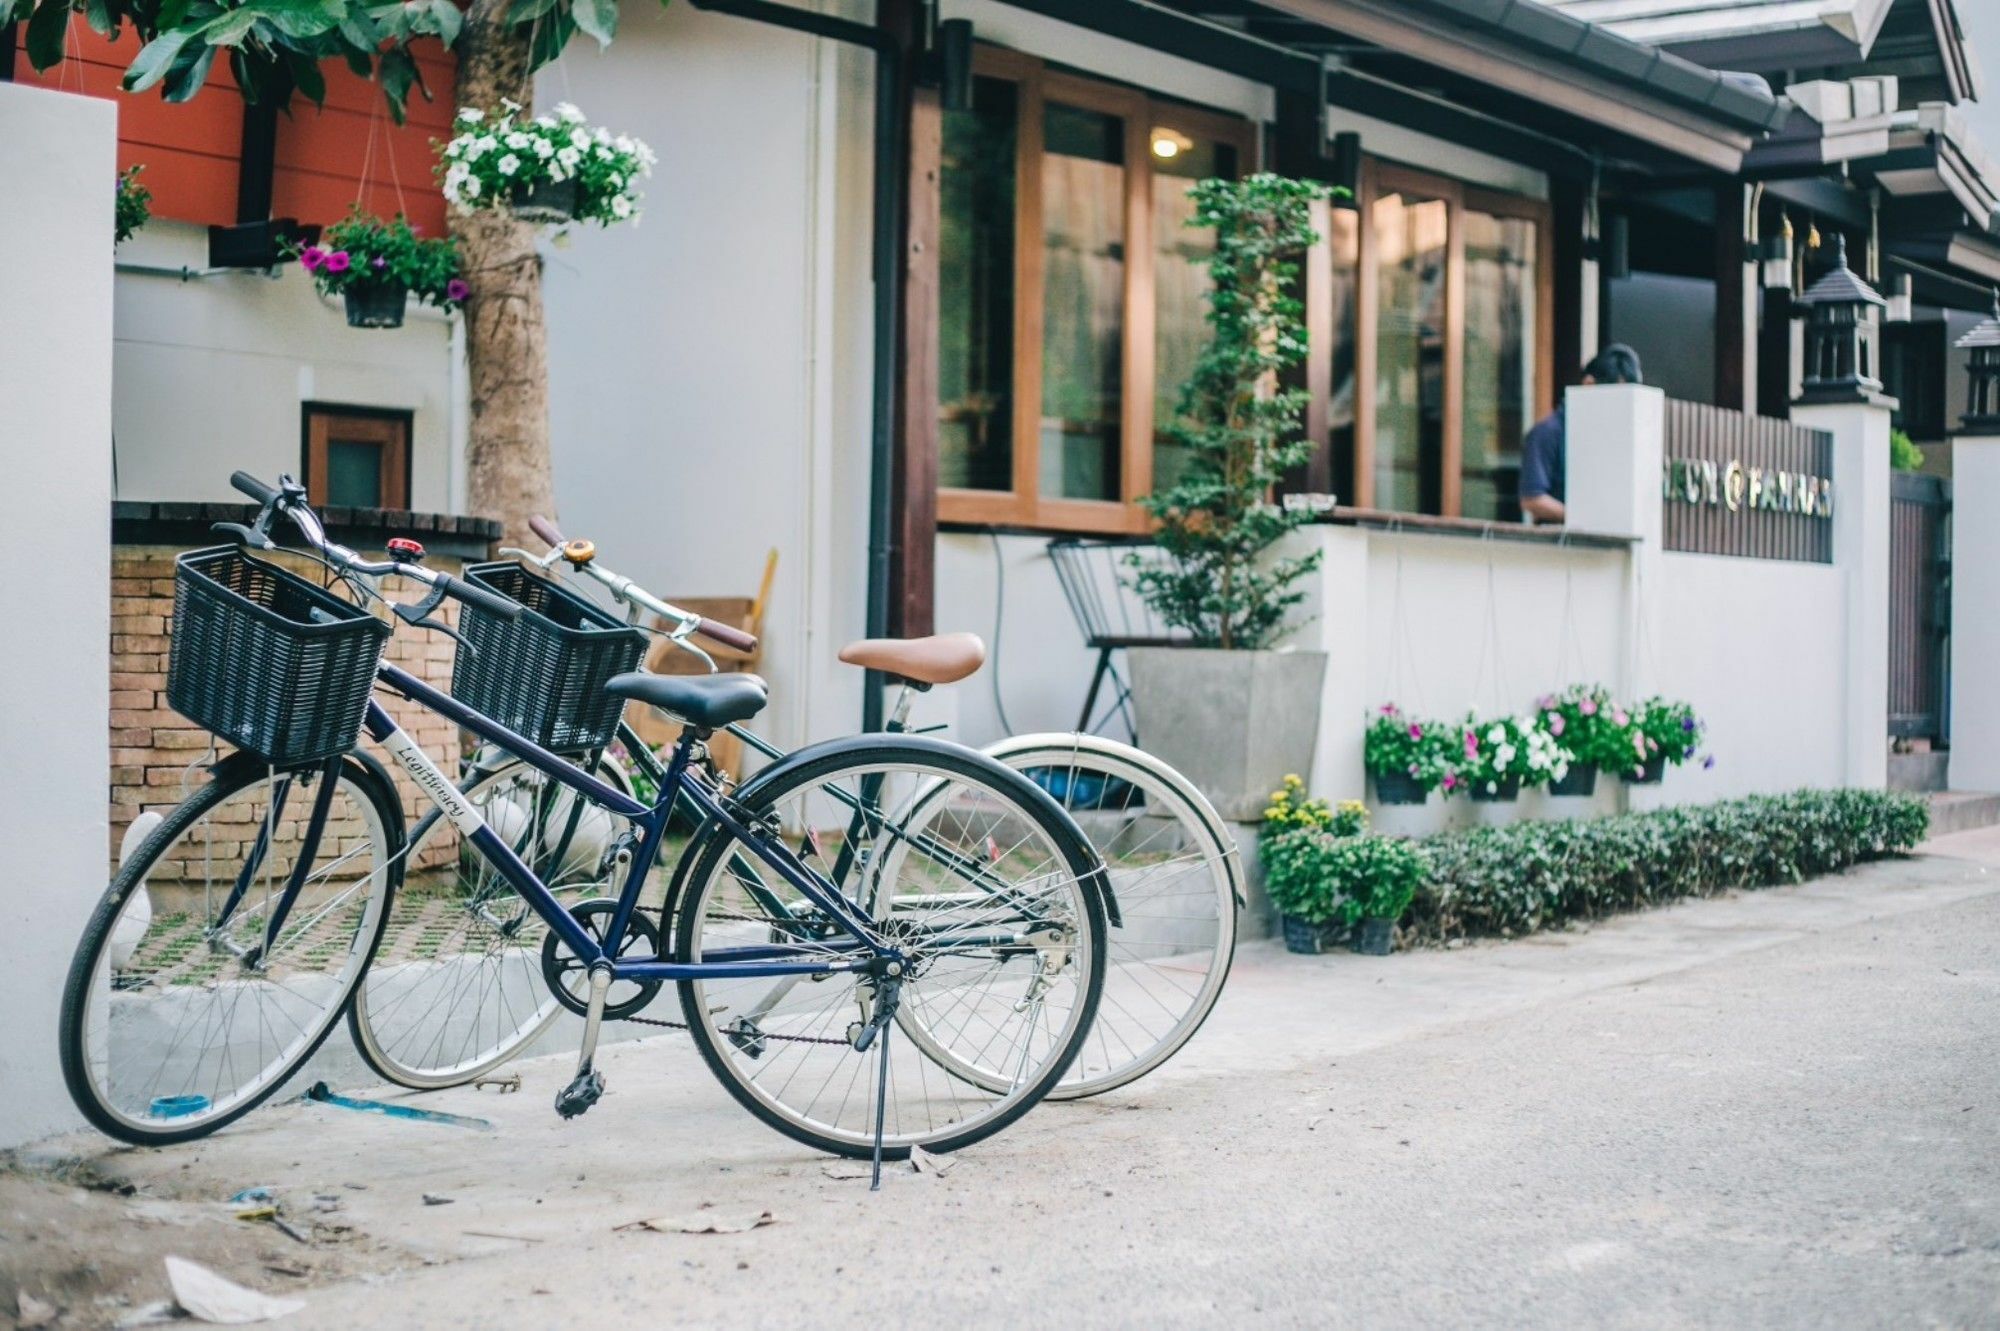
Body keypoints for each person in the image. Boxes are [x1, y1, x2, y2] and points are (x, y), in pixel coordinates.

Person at [1518, 343, 1643, 524]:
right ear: (1589, 384)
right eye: (1614, 397)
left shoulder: (1613, 436)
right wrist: (1585, 519)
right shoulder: (1547, 433)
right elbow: (1532, 499)